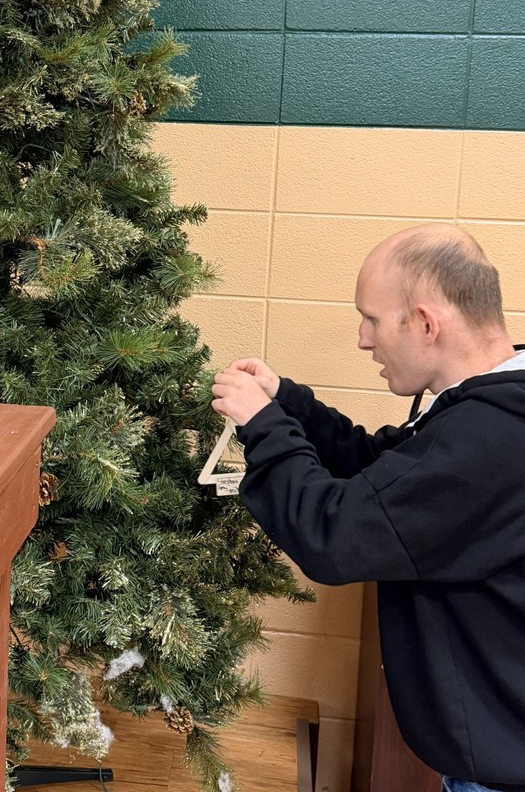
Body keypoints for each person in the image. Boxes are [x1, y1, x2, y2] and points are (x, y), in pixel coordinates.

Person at [211, 223, 525, 792]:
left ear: (427, 323)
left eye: (372, 319)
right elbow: (380, 470)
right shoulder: (484, 408)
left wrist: (263, 428)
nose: (362, 339)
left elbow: (336, 535)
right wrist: (289, 402)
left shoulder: (492, 438)